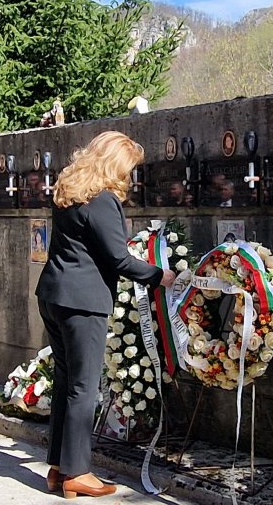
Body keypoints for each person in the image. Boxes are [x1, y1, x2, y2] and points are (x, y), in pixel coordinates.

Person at [34, 131, 176, 499]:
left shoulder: (70, 189)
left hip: (53, 295)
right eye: (128, 170)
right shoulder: (102, 200)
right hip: (83, 302)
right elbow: (119, 259)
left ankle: (58, 468)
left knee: (67, 383)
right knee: (83, 387)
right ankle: (78, 472)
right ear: (116, 164)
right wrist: (161, 276)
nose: (130, 178)